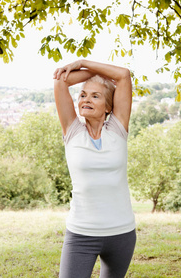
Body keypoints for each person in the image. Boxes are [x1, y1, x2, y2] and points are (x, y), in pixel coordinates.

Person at [53, 59, 136, 278]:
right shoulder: (72, 131)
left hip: (122, 234)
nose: (85, 99)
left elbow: (123, 75)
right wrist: (92, 74)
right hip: (81, 235)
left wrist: (82, 63)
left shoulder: (118, 129)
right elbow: (61, 81)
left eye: (95, 96)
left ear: (109, 107)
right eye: (82, 95)